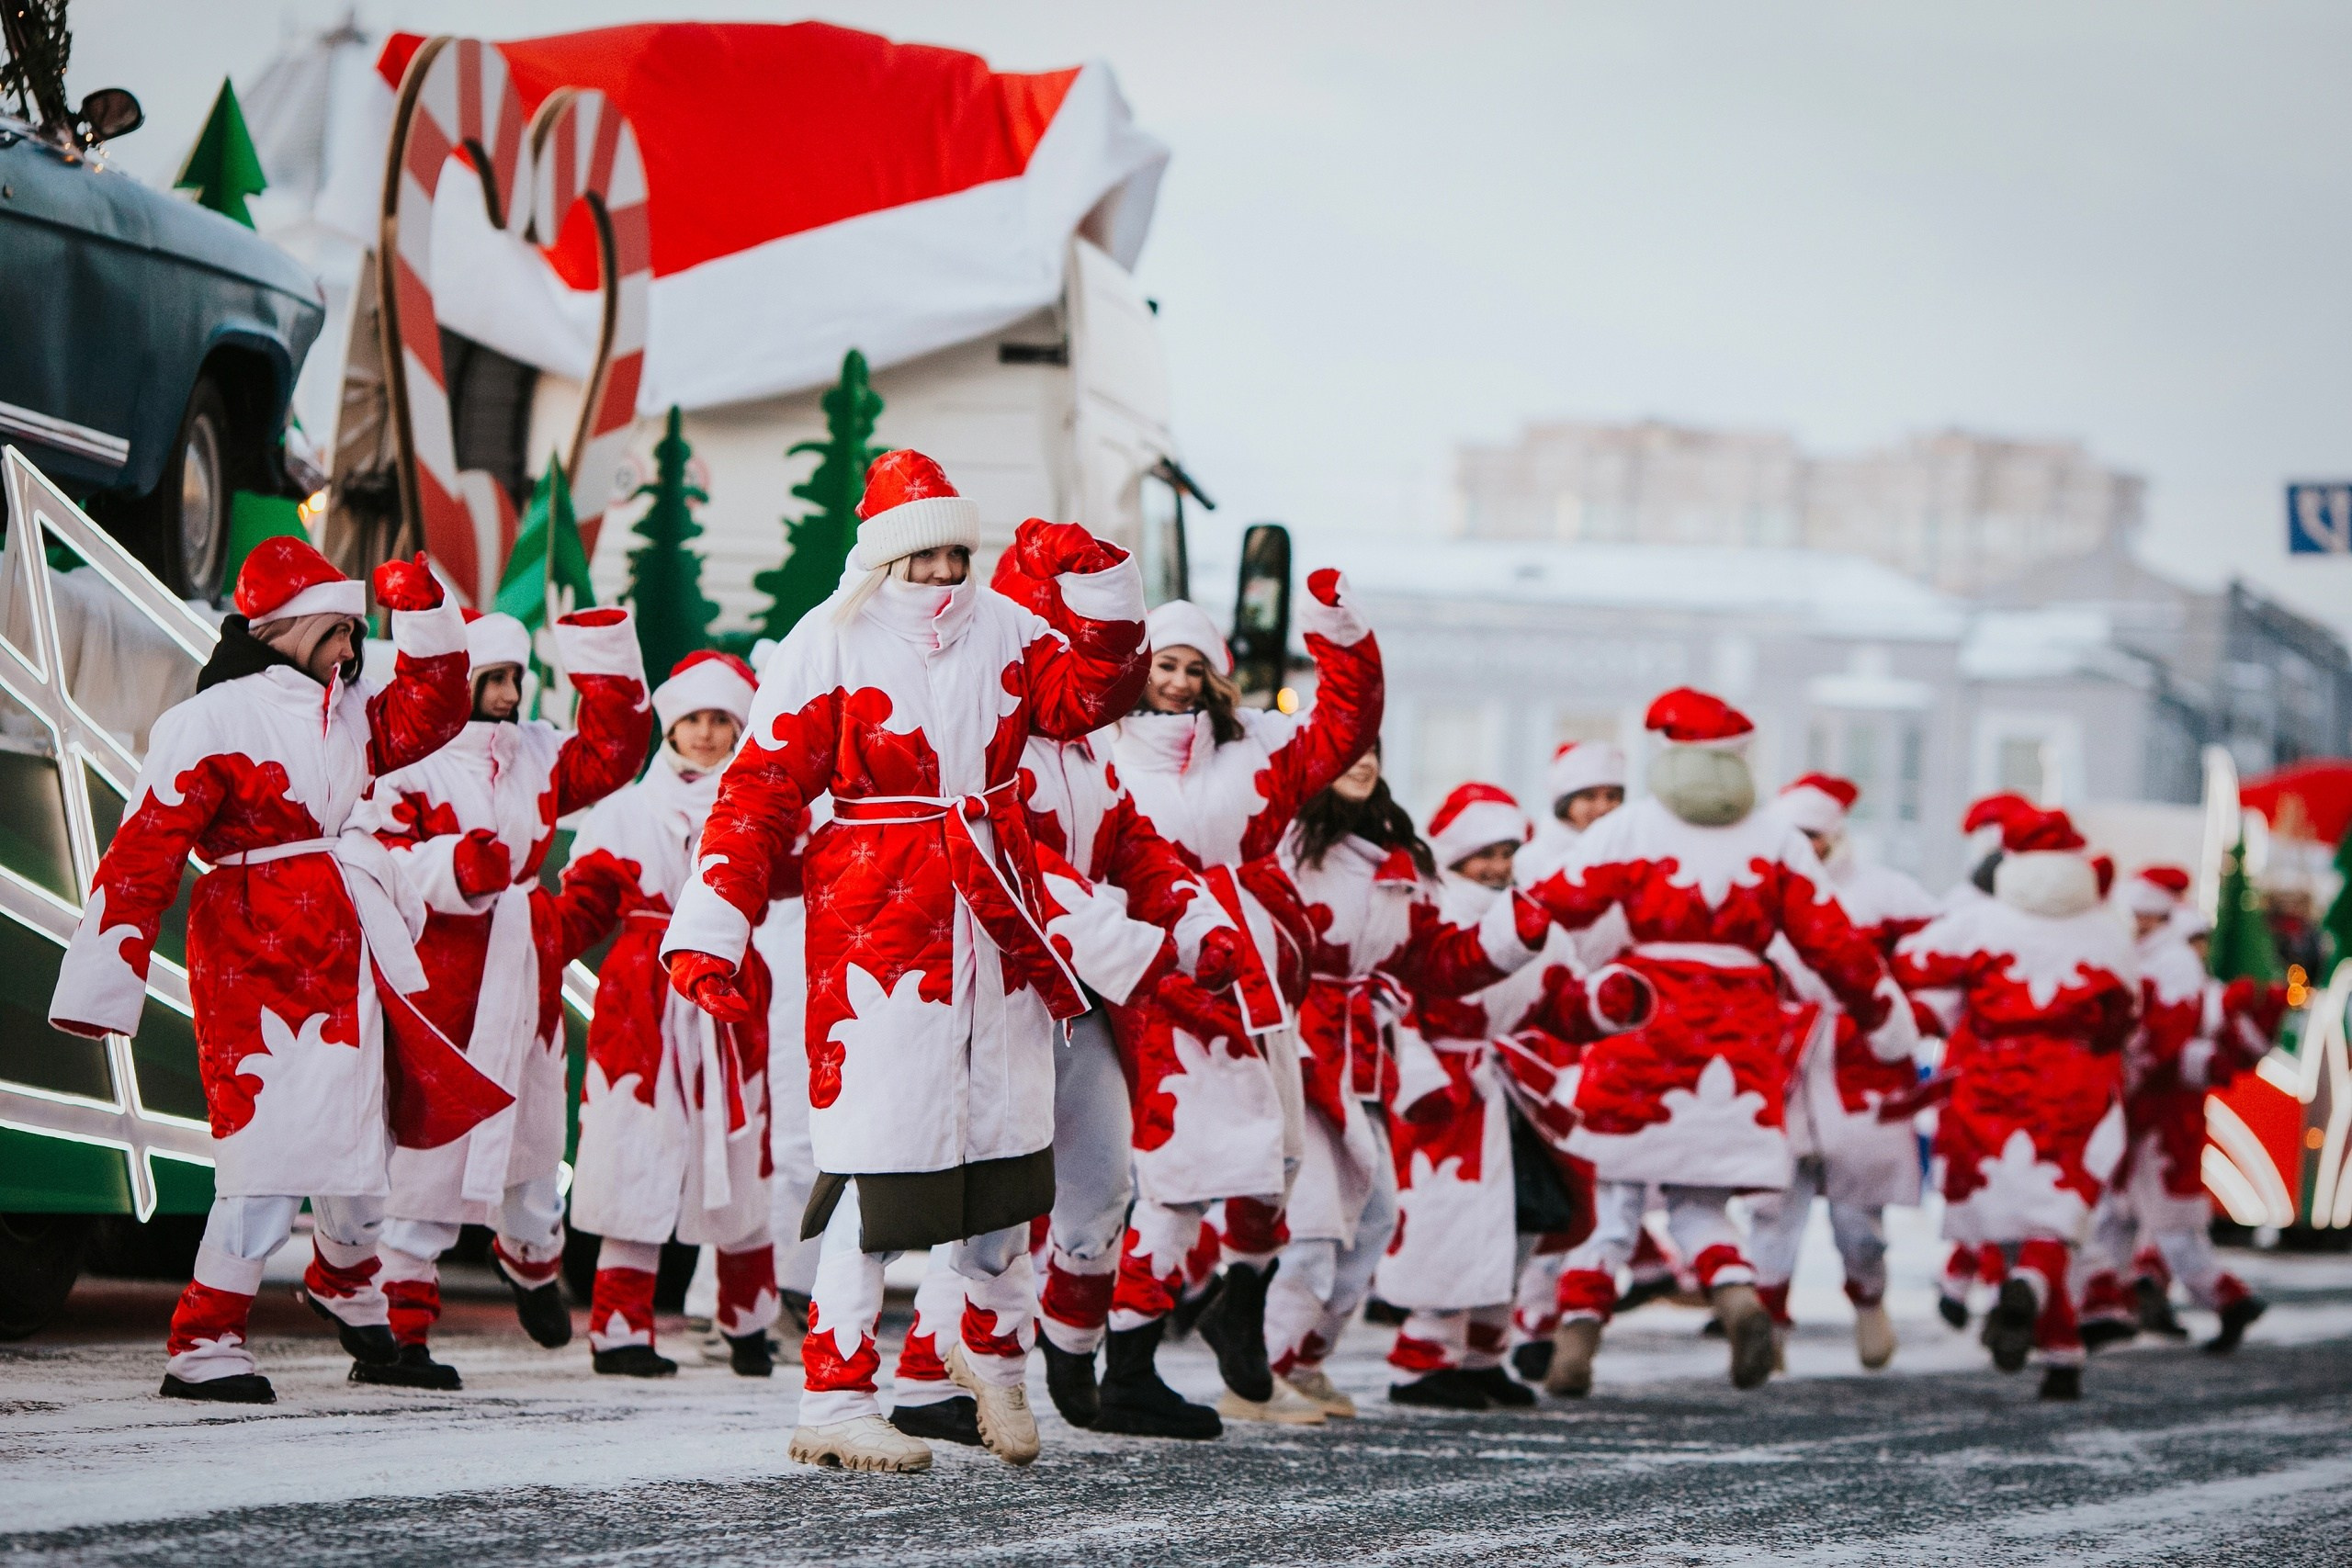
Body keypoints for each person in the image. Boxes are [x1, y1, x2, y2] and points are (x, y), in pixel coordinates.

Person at [661, 452, 1148, 1474]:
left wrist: (1098, 581)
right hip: (878, 924)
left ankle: (986, 1359)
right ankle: (835, 1398)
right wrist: (715, 922)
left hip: (997, 920)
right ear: (883, 557)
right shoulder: (824, 643)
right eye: (922, 553)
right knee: (879, 1168)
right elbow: (756, 794)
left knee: (1008, 1161)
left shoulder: (1009, 631)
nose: (941, 572)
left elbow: (1097, 692)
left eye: (956, 552)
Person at [49, 538, 488, 1403]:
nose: (354, 650)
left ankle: (350, 1289)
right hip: (252, 946)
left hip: (344, 936)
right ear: (291, 626)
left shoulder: (350, 706)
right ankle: (204, 1339)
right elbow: (146, 847)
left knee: (365, 1131)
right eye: (340, 631)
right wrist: (110, 970)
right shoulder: (208, 720)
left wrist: (427, 613)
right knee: (269, 1149)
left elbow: (437, 711)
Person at [1521, 688, 1917, 1395]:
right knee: (1701, 1202)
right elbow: (1835, 943)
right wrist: (1885, 1015)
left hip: (1640, 1027)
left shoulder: (1631, 828)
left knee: (1610, 1195)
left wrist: (1484, 959)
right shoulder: (1775, 837)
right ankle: (1737, 1295)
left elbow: (1549, 906)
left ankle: (1576, 1334)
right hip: (1735, 1040)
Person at [1102, 574, 1384, 1422]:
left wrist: (1336, 630)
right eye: (1164, 663)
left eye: (1195, 667)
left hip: (1255, 977)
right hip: (1157, 974)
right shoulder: (1098, 746)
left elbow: (1346, 725)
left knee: (1280, 1155)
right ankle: (1128, 1361)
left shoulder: (1256, 748)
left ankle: (1242, 1305)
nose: (1179, 681)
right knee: (1180, 1173)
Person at [351, 607, 650, 1387]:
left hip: (525, 971)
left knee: (534, 1146)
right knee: (429, 1158)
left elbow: (616, 753)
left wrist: (601, 652)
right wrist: (456, 868)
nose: (510, 693)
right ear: (460, 681)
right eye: (493, 677)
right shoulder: (406, 761)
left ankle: (532, 1259)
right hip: (442, 976)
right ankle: (403, 1332)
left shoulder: (539, 752)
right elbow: (382, 859)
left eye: (517, 677)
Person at [1265, 761, 1550, 1417]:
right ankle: (1272, 1367)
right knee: (1312, 1226)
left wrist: (1517, 935)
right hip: (1300, 1055)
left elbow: (1433, 962)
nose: (1360, 760)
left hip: (1364, 1065)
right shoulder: (1280, 843)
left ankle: (1305, 1361)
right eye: (1346, 747)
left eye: (1371, 748)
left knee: (1373, 1221)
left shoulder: (1402, 861)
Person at [1374, 783, 1648, 1409]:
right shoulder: (1428, 910)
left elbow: (1561, 1000)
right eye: (1484, 853)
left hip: (1510, 1094)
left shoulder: (1532, 922)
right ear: (1453, 854)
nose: (1498, 865)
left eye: (1506, 851)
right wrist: (1416, 1074)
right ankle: (1422, 1358)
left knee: (1519, 1224)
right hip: (1445, 1098)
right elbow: (1399, 1001)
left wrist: (1606, 1003)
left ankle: (1483, 1353)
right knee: (1450, 1226)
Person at [554, 650, 779, 1382]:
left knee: (740, 1147)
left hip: (731, 996)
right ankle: (619, 1328)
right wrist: (534, 949)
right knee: (635, 1150)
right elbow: (583, 904)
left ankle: (749, 1323)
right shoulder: (624, 810)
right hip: (641, 1002)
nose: (707, 734)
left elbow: (797, 875)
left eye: (721, 720)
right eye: (692, 720)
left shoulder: (760, 804)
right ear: (670, 726)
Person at [1893, 806, 2137, 1400]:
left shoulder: (1981, 921)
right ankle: (2048, 1320)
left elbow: (1911, 964)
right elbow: (2125, 1015)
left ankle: (2040, 1319)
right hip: (2074, 1078)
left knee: (2001, 1205)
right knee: (2055, 1207)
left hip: (1993, 1075)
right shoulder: (2107, 927)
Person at [1746, 773, 1940, 1371]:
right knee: (1772, 1205)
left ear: (1835, 835)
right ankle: (1766, 1325)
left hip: (1860, 1066)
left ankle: (1869, 1301)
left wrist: (1899, 1016)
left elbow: (1935, 965)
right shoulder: (1757, 891)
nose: (1805, 844)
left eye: (1814, 834)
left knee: (1860, 1213)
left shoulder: (1888, 892)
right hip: (1782, 1065)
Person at [2078, 873, 2278, 1353]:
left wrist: (2125, 1061)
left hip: (2164, 1117)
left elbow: (2162, 1044)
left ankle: (2227, 1300)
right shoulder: (2156, 961)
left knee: (2168, 1227)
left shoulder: (2173, 967)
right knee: (2116, 1216)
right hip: (2143, 1113)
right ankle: (2108, 1307)